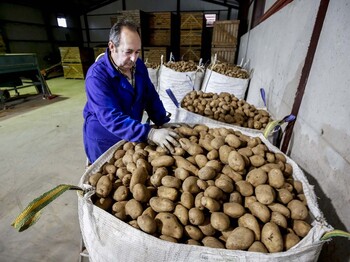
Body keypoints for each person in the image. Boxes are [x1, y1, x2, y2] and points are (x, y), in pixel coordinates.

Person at [83, 18, 179, 163]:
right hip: (105, 138)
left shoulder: (138, 66)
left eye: (137, 52)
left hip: (132, 132)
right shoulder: (96, 76)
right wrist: (150, 133)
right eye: (128, 52)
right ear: (112, 46)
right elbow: (111, 117)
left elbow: (150, 96)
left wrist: (161, 120)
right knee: (107, 177)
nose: (133, 58)